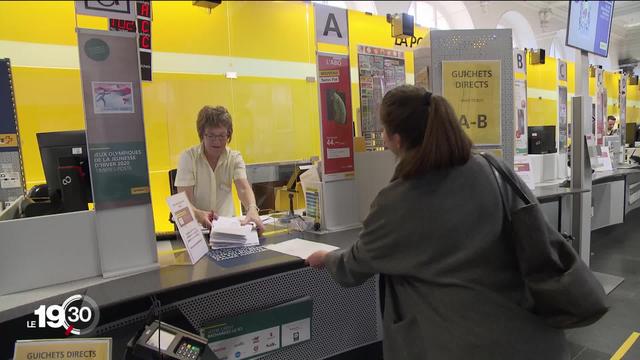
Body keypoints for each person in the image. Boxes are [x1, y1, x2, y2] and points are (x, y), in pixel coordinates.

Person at [307, 85, 569, 359]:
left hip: (458, 343)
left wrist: (327, 258)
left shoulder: (397, 200)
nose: (382, 138)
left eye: (383, 130)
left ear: (397, 139)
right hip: (532, 334)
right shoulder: (493, 169)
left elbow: (355, 265)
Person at [174, 105, 264, 231]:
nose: (217, 142)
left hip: (228, 227)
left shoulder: (234, 157)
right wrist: (198, 214)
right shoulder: (188, 157)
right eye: (211, 136)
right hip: (198, 228)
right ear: (202, 134)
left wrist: (252, 209)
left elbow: (243, 188)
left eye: (222, 136)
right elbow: (183, 200)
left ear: (228, 135)